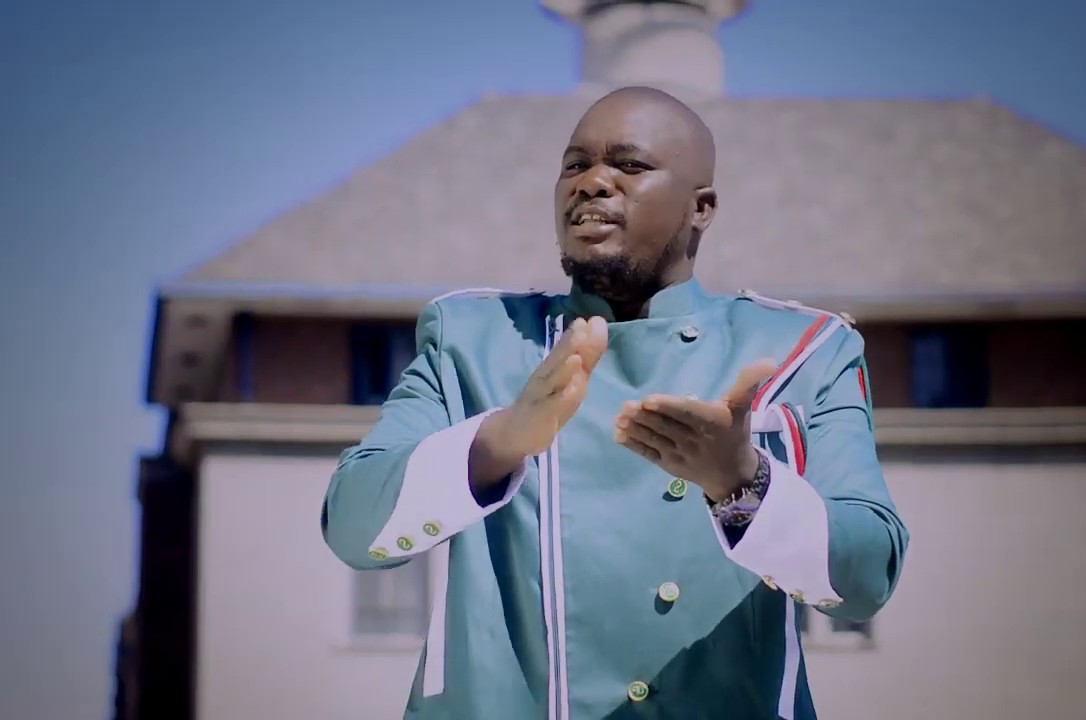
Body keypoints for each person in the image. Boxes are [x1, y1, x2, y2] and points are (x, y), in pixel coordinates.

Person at [321, 85, 909, 720]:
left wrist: (741, 482)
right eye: (575, 165)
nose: (592, 183)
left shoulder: (806, 350)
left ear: (701, 208)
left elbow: (866, 577)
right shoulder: (470, 339)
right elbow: (352, 529)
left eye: (628, 165)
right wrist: (502, 441)